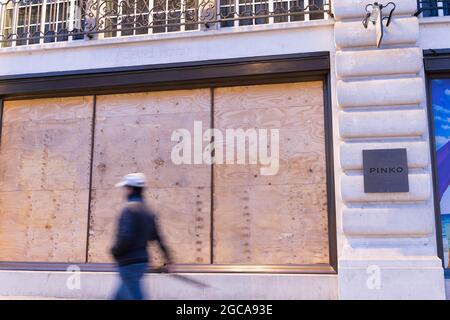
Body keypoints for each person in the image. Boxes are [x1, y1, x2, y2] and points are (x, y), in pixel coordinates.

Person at [111, 172, 173, 300]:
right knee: (119, 296)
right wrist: (169, 259)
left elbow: (126, 236)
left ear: (131, 189)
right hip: (141, 261)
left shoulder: (129, 209)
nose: (124, 191)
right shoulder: (148, 211)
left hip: (128, 262)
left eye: (126, 188)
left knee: (135, 295)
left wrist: (115, 251)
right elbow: (157, 237)